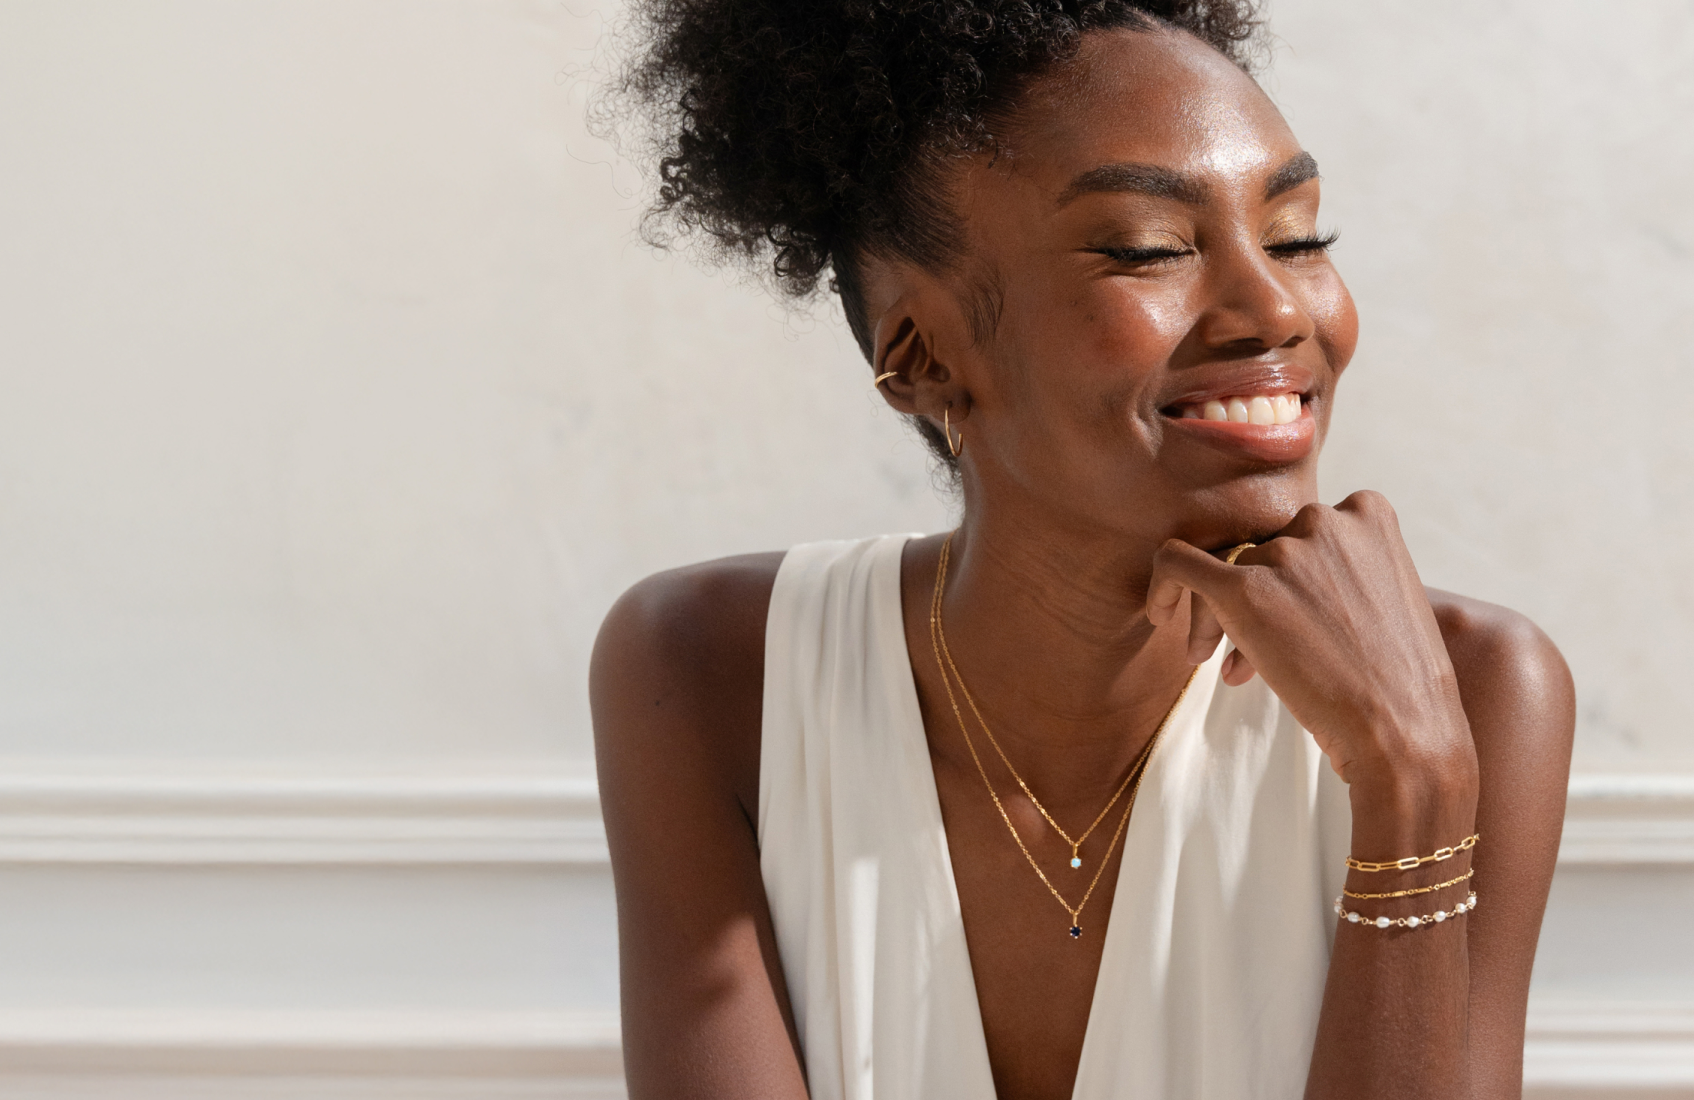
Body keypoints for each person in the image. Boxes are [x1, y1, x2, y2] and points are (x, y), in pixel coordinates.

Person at [587, 3, 1577, 1098]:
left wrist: (1413, 781)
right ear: (920, 356)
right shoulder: (712, 674)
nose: (1275, 306)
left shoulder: (1477, 689)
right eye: (1148, 249)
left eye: (1297, 235)